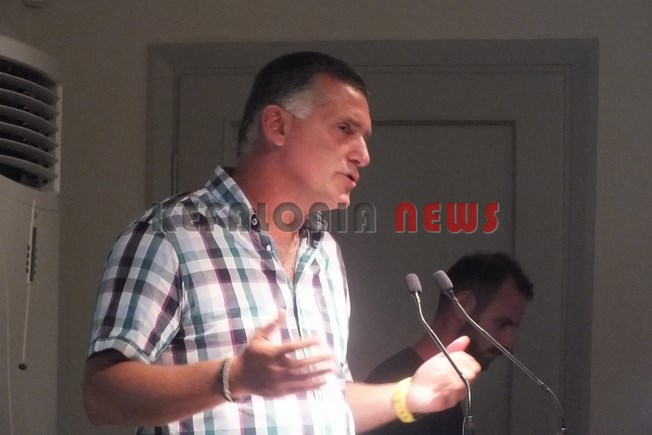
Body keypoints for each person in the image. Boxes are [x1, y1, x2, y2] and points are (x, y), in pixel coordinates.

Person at [82, 51, 481, 434]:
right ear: (278, 126)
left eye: (364, 137)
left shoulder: (324, 251)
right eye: (345, 129)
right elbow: (100, 396)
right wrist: (233, 378)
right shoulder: (169, 235)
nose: (364, 155)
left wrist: (408, 395)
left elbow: (326, 405)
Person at [364, 251, 534, 435]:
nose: (510, 343)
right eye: (503, 323)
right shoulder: (395, 389)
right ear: (463, 306)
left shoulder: (444, 389)